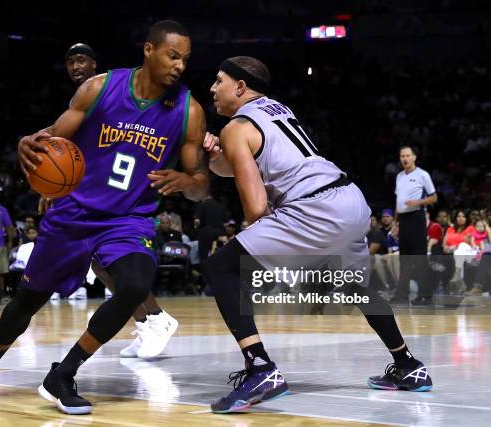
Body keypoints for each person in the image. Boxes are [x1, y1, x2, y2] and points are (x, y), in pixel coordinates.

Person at [0, 20, 209, 415]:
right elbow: (50, 138)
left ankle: (64, 373)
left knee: (135, 285)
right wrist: (28, 144)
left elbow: (201, 185)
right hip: (74, 213)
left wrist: (186, 179)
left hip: (128, 219)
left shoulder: (189, 111)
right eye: (173, 56)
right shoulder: (99, 87)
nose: (180, 66)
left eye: (185, 60)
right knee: (27, 299)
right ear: (149, 50)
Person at [202, 56, 432, 414]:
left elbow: (255, 208)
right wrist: (216, 156)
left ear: (240, 87)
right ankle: (408, 365)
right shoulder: (276, 110)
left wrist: (260, 233)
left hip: (313, 208)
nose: (212, 88)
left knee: (221, 267)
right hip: (349, 199)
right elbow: (238, 162)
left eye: (219, 81)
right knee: (357, 286)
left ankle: (260, 367)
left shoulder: (235, 127)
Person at [56, 42, 180, 358]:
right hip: (96, 191)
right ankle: (145, 322)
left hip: (124, 193)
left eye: (81, 59)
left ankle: (157, 318)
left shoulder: (110, 91)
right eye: (70, 62)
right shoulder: (83, 97)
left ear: (95, 63)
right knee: (98, 263)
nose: (75, 66)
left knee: (121, 265)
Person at [392, 146, 437, 305]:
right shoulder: (399, 176)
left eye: (407, 155)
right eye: (402, 156)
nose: (404, 158)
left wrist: (418, 201)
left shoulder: (422, 175)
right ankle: (401, 295)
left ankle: (425, 295)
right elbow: (398, 202)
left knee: (419, 258)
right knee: (404, 259)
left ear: (414, 157)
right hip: (403, 220)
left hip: (416, 218)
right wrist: (395, 223)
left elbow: (433, 198)